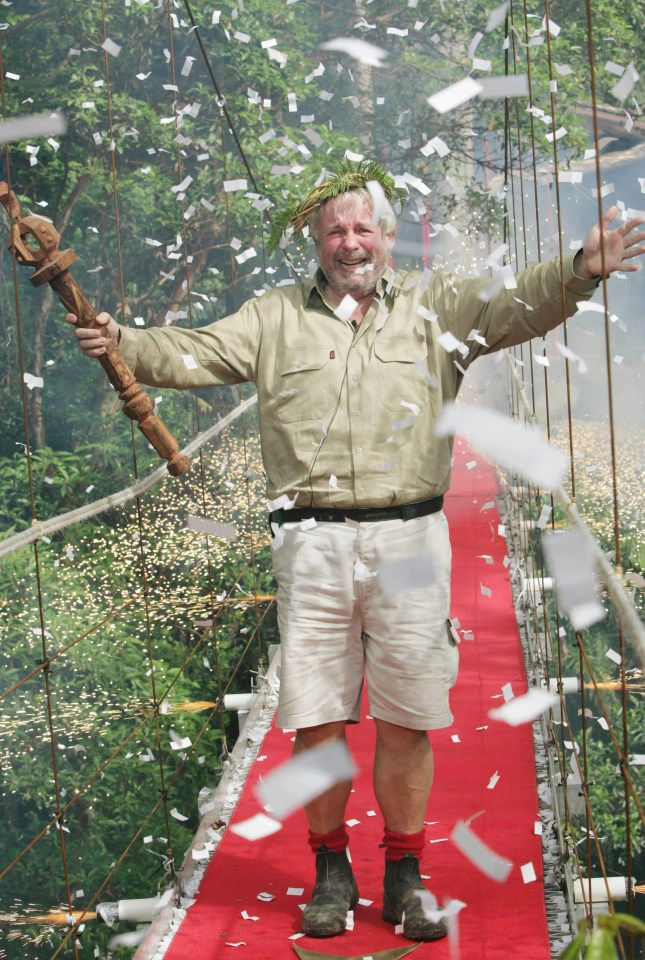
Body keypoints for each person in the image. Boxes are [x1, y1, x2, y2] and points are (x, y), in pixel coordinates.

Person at [66, 160, 645, 942]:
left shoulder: (437, 307)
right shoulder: (273, 317)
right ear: (314, 239)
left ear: (387, 236)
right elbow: (190, 353)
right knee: (315, 717)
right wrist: (121, 342)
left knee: (409, 716)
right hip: (309, 544)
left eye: (362, 226)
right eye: (334, 229)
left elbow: (517, 304)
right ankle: (329, 869)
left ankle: (404, 875)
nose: (349, 241)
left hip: (410, 537)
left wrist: (578, 272)